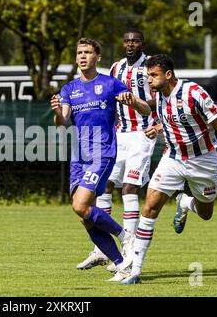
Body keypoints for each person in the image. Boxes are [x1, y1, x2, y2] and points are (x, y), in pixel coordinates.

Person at [120, 54, 217, 285]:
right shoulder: (159, 95)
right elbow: (169, 117)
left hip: (203, 161)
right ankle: (134, 270)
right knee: (150, 207)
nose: (149, 80)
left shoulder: (194, 93)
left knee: (205, 214)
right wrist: (157, 127)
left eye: (153, 75)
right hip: (172, 159)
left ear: (168, 74)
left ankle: (184, 202)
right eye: (147, 76)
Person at [50, 38, 151, 281]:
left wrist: (134, 101)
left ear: (97, 57)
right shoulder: (69, 89)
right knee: (84, 216)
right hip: (79, 157)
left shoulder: (109, 83)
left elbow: (146, 109)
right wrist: (56, 113)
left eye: (87, 52)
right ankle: (121, 263)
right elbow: (63, 123)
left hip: (102, 153)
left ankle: (125, 235)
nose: (82, 56)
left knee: (80, 205)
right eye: (79, 53)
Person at [76, 29, 158, 281]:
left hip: (142, 134)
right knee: (105, 187)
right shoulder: (115, 68)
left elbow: (158, 99)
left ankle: (129, 247)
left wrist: (148, 114)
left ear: (142, 43)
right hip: (118, 135)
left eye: (135, 40)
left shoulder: (150, 67)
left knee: (130, 188)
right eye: (127, 40)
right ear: (123, 44)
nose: (131, 44)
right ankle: (101, 249)